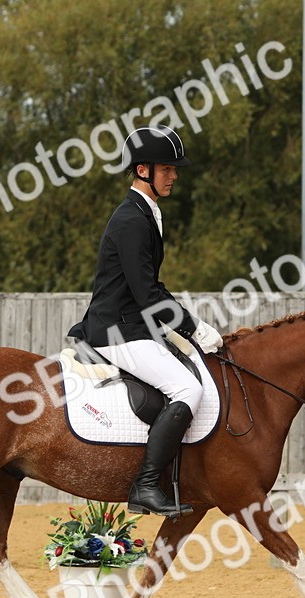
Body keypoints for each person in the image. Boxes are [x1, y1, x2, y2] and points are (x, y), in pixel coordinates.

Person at [67, 124, 223, 517]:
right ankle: (147, 485)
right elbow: (147, 294)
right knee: (189, 389)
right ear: (142, 170)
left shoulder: (144, 213)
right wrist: (192, 328)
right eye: (166, 169)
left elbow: (151, 284)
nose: (173, 175)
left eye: (174, 169)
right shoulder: (132, 220)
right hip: (118, 331)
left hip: (131, 325)